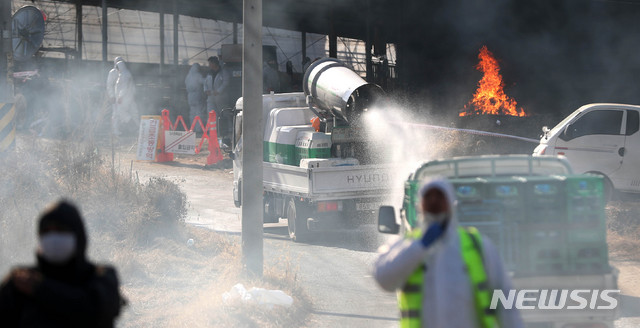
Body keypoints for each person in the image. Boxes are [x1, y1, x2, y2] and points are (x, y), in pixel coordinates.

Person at [374, 178, 523, 328]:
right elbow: (383, 278)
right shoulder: (407, 245)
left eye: (440, 196)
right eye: (428, 197)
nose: (434, 201)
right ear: (420, 205)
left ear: (451, 203)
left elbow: (505, 302)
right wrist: (419, 247)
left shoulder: (477, 245)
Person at [0, 200, 124, 327]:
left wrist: (40, 288)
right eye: (47, 232)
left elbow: (95, 311)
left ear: (78, 236)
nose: (54, 238)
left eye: (61, 230)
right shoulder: (19, 282)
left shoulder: (100, 277)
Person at [113, 61, 139, 136]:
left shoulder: (124, 75)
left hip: (125, 98)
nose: (117, 70)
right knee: (133, 113)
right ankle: (136, 128)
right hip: (128, 97)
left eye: (118, 68)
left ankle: (133, 125)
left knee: (121, 112)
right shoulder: (125, 74)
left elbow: (124, 87)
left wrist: (120, 96)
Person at [185, 63, 206, 132]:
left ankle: (192, 128)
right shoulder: (198, 75)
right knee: (198, 112)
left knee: (192, 113)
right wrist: (208, 78)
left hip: (190, 96)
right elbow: (203, 82)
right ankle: (198, 129)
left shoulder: (188, 76)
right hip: (197, 95)